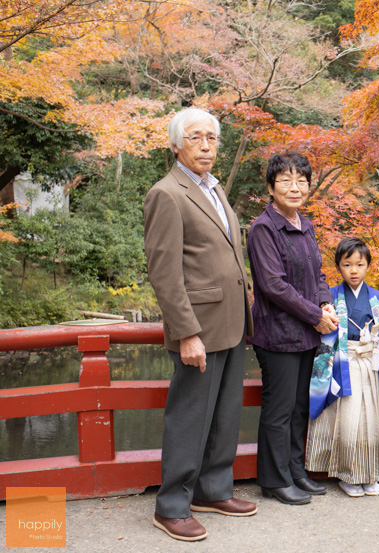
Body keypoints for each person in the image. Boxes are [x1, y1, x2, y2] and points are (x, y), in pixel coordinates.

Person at [144, 107, 257, 542]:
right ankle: (171, 505)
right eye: (196, 137)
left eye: (212, 137)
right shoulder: (167, 193)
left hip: (230, 321)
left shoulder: (212, 188)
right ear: (176, 145)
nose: (207, 145)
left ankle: (212, 489)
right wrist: (186, 331)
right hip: (198, 326)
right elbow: (165, 272)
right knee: (190, 417)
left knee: (225, 415)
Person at [247, 152, 339, 506]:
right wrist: (315, 315)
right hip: (278, 333)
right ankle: (274, 479)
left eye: (301, 180)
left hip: (305, 332)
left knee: (300, 407)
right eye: (285, 180)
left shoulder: (306, 224)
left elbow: (317, 273)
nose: (294, 186)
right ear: (271, 187)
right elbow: (273, 285)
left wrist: (326, 302)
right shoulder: (263, 228)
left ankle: (295, 471)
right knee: (280, 408)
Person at [305, 238, 379, 497]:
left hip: (373, 364)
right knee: (349, 420)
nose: (354, 270)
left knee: (372, 419)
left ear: (368, 266)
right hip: (342, 364)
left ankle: (370, 472)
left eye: (360, 264)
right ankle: (349, 475)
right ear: (338, 267)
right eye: (347, 264)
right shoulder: (331, 297)